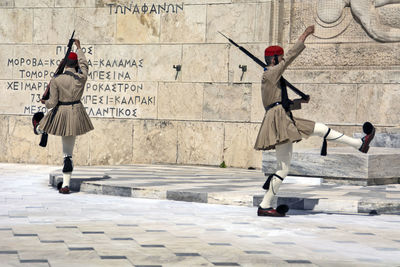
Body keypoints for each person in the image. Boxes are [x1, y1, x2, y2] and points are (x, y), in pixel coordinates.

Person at [254, 25, 375, 216]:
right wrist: (304, 35)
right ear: (274, 59)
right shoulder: (270, 74)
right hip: (280, 122)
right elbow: (289, 58)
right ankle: (265, 206)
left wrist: (298, 102)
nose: (280, 61)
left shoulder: (272, 77)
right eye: (279, 58)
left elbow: (277, 103)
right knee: (283, 168)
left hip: (284, 117)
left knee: (319, 128)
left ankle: (359, 144)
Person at [33, 39, 94, 194]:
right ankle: (65, 185)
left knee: (43, 121)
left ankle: (39, 129)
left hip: (61, 112)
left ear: (65, 63)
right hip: (75, 113)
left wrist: (44, 102)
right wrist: (79, 48)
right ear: (76, 65)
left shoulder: (57, 80)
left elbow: (52, 103)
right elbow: (85, 66)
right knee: (68, 154)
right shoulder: (81, 78)